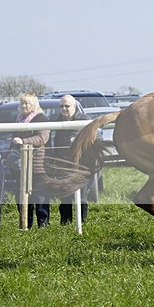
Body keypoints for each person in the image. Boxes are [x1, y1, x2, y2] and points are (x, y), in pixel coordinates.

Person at [11, 92, 50, 228]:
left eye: (27, 103)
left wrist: (24, 141)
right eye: (22, 103)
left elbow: (42, 138)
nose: (24, 106)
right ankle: (26, 223)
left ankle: (43, 224)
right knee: (20, 196)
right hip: (20, 165)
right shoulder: (18, 119)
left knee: (40, 197)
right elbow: (13, 140)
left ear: (34, 104)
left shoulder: (41, 119)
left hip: (38, 164)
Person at [51, 94, 91, 224]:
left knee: (82, 197)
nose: (64, 109)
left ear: (74, 106)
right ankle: (65, 223)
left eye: (67, 106)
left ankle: (83, 222)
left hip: (81, 165)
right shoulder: (56, 122)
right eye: (61, 106)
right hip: (63, 165)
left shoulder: (84, 121)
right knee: (65, 196)